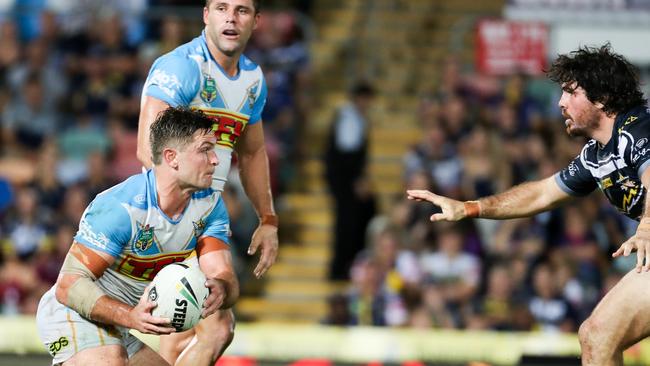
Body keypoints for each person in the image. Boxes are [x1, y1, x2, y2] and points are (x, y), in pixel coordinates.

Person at [407, 44, 649, 365]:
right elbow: (541, 194)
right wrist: (470, 207)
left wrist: (645, 226)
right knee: (597, 336)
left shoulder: (638, 127)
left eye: (570, 92)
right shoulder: (595, 156)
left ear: (602, 98)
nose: (561, 103)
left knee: (598, 336)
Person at [36, 106, 238, 366]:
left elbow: (223, 275)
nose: (215, 160)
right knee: (111, 359)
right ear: (172, 157)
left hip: (115, 324)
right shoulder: (123, 208)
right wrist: (131, 316)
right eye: (204, 149)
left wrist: (222, 288)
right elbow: (69, 287)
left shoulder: (210, 206)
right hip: (72, 313)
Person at [136, 0, 278, 363]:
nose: (231, 17)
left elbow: (252, 153)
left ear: (256, 21)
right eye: (221, 8)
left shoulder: (253, 80)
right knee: (214, 326)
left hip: (206, 221)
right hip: (166, 215)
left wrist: (267, 218)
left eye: (242, 10)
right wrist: (189, 209)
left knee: (193, 328)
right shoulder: (182, 67)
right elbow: (148, 148)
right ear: (205, 15)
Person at [324, 81, 377, 280]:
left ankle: (348, 265)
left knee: (356, 217)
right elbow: (347, 153)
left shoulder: (353, 117)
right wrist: (356, 180)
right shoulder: (350, 118)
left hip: (345, 178)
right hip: (345, 179)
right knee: (347, 222)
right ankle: (341, 268)